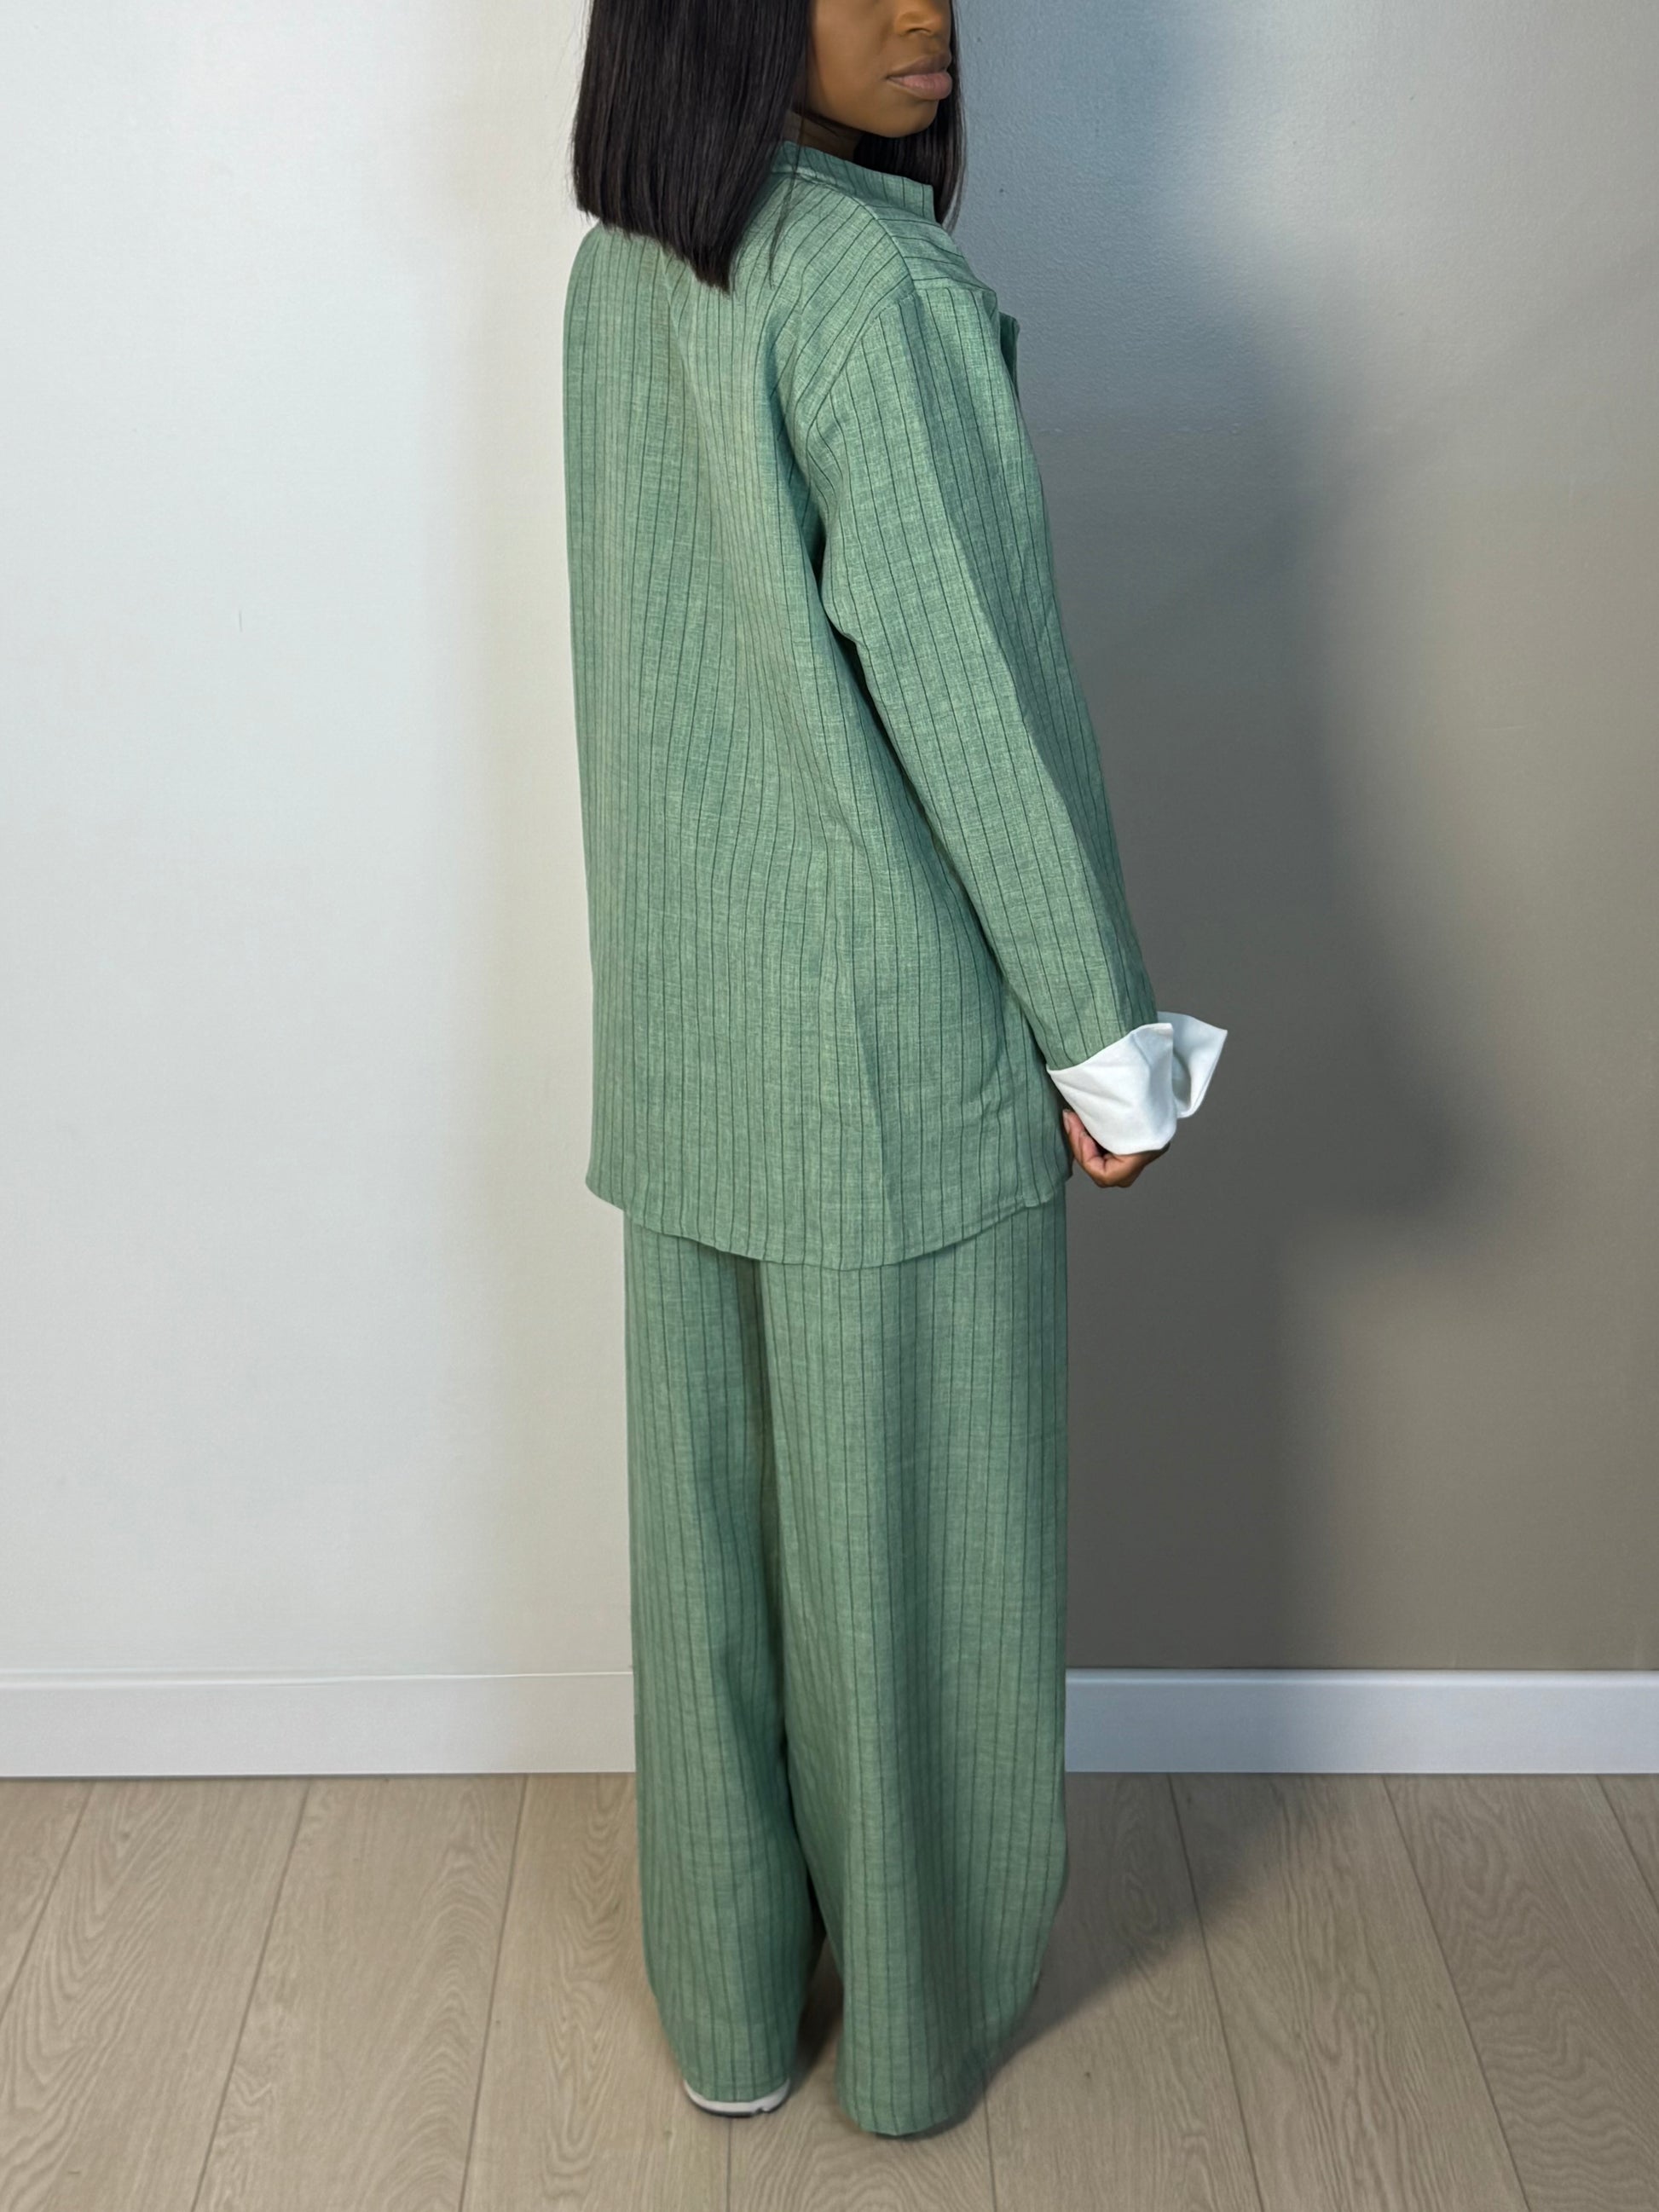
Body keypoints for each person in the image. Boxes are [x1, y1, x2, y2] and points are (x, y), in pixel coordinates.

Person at [563, 0, 1227, 2140]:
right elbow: (978, 702)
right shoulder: (873, 289)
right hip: (886, 1058)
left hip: (692, 1041)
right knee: (914, 1585)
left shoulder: (627, 268)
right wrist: (1106, 1048)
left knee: (721, 1580)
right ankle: (918, 2043)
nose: (917, 9)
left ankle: (732, 2014)